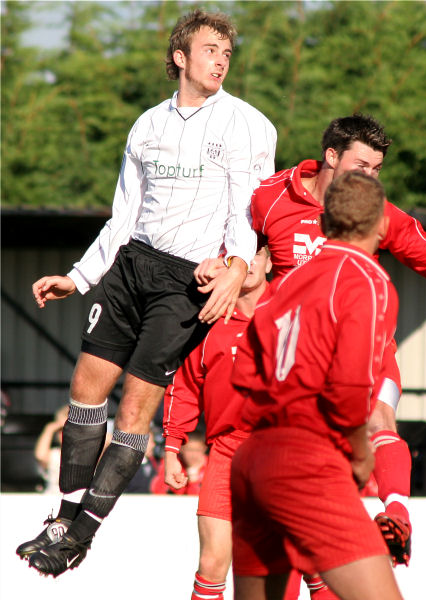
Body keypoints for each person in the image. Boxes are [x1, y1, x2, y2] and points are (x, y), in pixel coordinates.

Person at [16, 9, 276, 578]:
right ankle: (62, 520)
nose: (221, 60)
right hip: (132, 265)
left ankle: (84, 533)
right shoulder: (146, 125)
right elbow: (123, 214)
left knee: (136, 407)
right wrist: (80, 276)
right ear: (181, 57)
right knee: (86, 388)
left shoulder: (249, 124)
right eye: (211, 50)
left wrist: (236, 269)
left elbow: (247, 209)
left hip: (189, 281)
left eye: (227, 52)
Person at [197, 114, 426, 575]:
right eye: (363, 165)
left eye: (378, 169)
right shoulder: (268, 198)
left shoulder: (373, 221)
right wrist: (221, 263)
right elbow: (240, 243)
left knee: (379, 414)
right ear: (331, 156)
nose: (371, 178)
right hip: (299, 357)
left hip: (358, 344)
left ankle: (396, 511)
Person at [229, 171, 403, 600]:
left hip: (252, 457)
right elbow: (349, 388)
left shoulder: (285, 283)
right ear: (382, 224)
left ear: (324, 225)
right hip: (308, 457)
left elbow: (244, 374)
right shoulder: (368, 278)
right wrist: (361, 456)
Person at [161, 245, 271, 600]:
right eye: (237, 255)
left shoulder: (293, 311)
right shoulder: (207, 323)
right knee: (211, 563)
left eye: (257, 254)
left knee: (304, 565)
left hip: (285, 451)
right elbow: (185, 387)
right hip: (227, 453)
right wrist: (172, 448)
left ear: (270, 261)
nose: (249, 262)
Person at [151, 430, 208, 495]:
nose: (193, 455)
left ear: (204, 449)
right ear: (181, 449)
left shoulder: (210, 466)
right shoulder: (172, 463)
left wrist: (193, 479)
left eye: (197, 450)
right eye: (189, 450)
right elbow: (157, 491)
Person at [33, 405, 69, 494]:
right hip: (53, 497)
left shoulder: (89, 454)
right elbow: (40, 456)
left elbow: (107, 440)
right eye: (61, 430)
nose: (66, 434)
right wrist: (49, 428)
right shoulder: (54, 454)